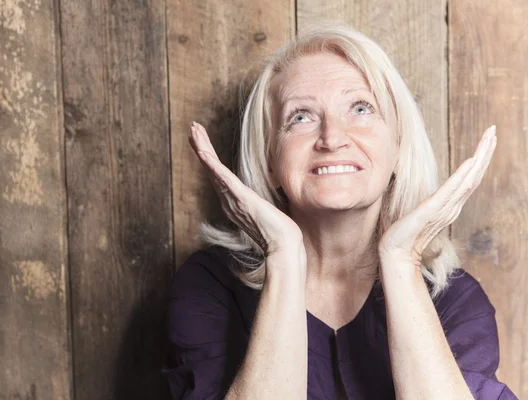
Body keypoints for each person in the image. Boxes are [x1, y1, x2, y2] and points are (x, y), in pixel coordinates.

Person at [161, 23, 518, 399]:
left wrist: (401, 260)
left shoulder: (455, 301)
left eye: (361, 108)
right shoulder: (211, 286)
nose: (332, 138)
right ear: (268, 160)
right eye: (301, 116)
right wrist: (283, 253)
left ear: (398, 145)